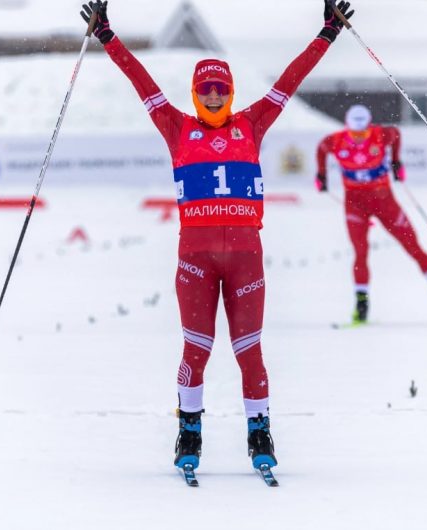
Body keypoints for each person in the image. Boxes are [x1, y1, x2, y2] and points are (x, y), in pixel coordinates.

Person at [80, 0, 355, 473]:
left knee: (250, 352)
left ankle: (259, 432)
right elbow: (141, 81)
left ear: (230, 92)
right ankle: (189, 432)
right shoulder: (176, 127)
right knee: (197, 350)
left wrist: (327, 34)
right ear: (194, 92)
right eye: (205, 89)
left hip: (246, 258)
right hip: (196, 262)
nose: (212, 96)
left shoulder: (252, 123)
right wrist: (106, 36)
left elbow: (290, 80)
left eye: (220, 89)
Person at [316, 104, 427, 326]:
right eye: (355, 133)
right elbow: (321, 149)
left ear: (369, 126)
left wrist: (396, 162)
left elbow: (397, 135)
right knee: (360, 252)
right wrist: (321, 174)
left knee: (414, 248)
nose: (359, 137)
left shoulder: (381, 134)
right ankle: (361, 308)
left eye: (363, 132)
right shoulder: (336, 140)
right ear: (347, 127)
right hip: (355, 204)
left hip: (384, 201)